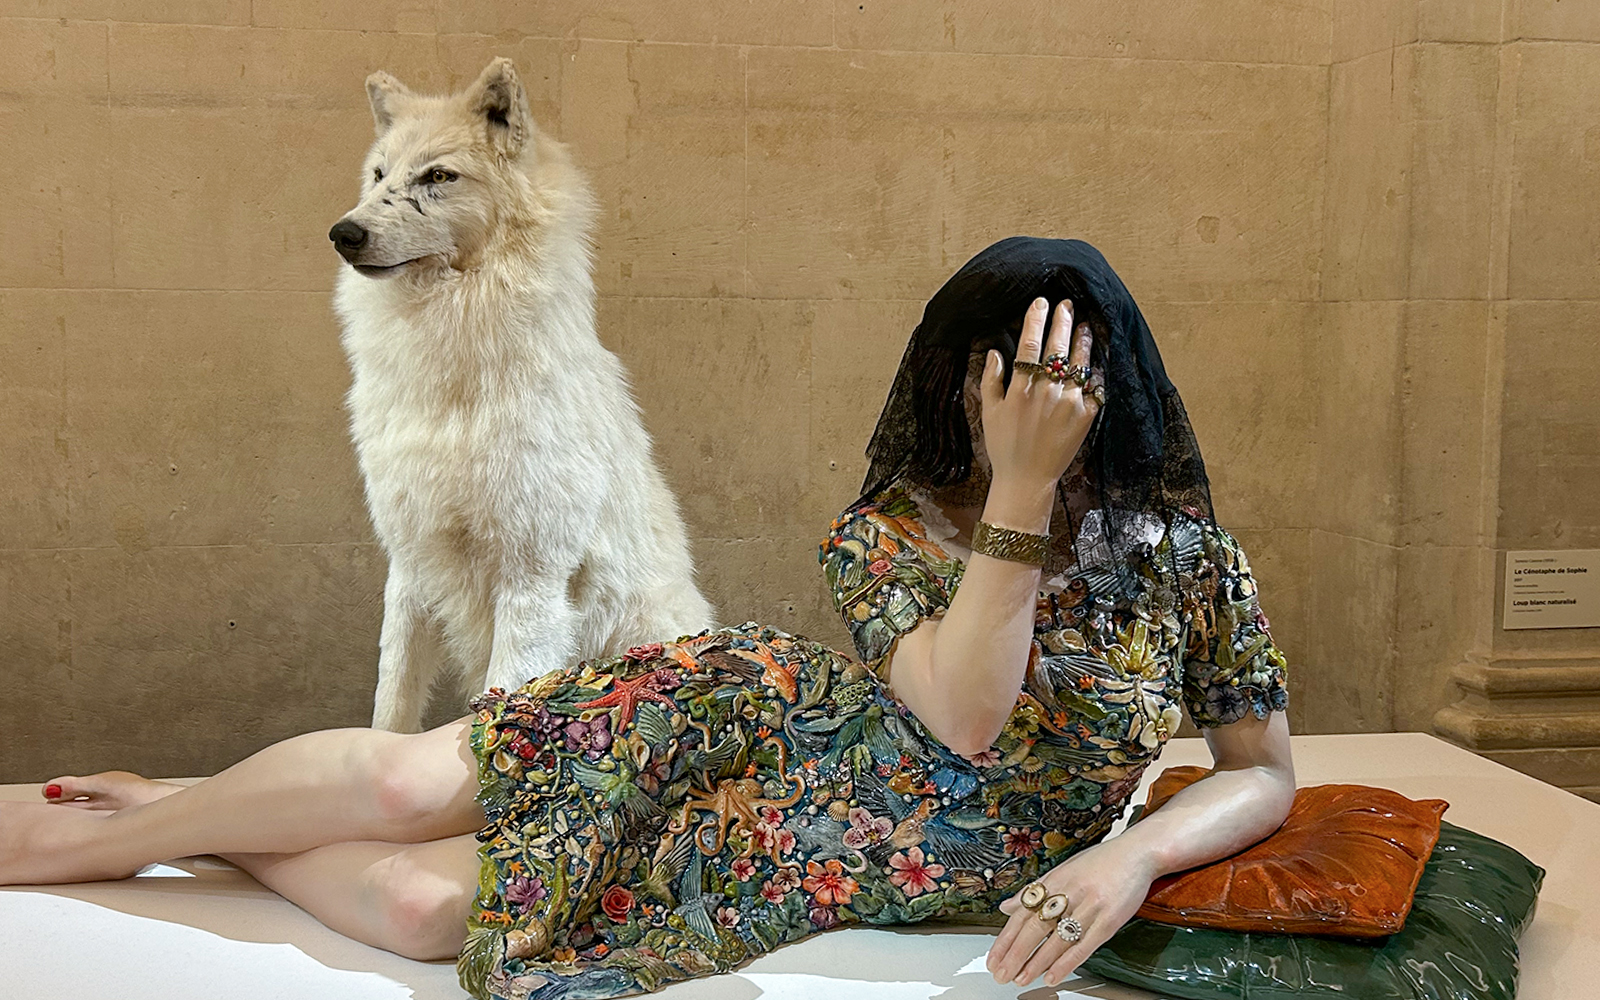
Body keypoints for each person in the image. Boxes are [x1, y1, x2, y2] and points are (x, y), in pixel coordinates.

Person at [0, 238, 1294, 999]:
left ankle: (194, 817)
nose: (1036, 395)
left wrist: (1129, 855)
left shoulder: (1189, 563)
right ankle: (126, 833)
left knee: (420, 912)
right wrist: (1018, 487)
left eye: (1067, 370)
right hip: (758, 721)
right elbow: (962, 717)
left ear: (1112, 381)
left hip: (797, 845)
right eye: (1007, 368)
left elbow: (1265, 776)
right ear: (964, 378)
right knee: (405, 786)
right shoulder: (894, 530)